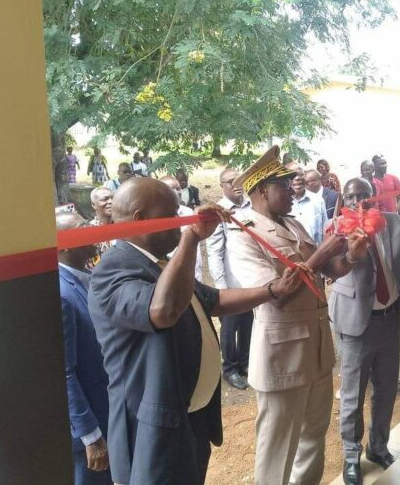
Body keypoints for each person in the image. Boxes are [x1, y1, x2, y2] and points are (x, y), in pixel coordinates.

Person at [88, 177, 303, 485]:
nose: (181, 220)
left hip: (189, 419)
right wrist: (190, 240)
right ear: (140, 219)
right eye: (172, 214)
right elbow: (162, 312)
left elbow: (212, 300)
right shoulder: (113, 269)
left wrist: (272, 290)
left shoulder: (159, 263)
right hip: (153, 430)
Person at [226, 145, 369, 485]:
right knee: (278, 448)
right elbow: (275, 292)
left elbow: (327, 270)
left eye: (293, 183)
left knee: (312, 439)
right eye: (284, 185)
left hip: (317, 351)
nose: (293, 190)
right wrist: (323, 252)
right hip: (282, 357)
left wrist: (349, 256)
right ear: (262, 190)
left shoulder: (293, 224)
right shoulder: (243, 233)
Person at [329, 179, 400, 485]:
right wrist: (349, 247)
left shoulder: (392, 222)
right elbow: (331, 265)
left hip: (390, 320)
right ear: (344, 200)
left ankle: (378, 447)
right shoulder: (336, 228)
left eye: (363, 195)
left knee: (386, 390)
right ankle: (352, 457)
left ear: (374, 197)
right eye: (351, 197)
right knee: (352, 395)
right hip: (355, 324)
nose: (358, 201)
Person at [57, 211, 112, 485]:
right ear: (64, 244)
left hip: (108, 411)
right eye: (82, 228)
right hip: (91, 428)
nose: (91, 229)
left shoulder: (85, 276)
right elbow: (63, 372)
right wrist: (90, 434)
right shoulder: (61, 295)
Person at [206, 168, 253, 391]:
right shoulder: (219, 211)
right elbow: (215, 252)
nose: (237, 184)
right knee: (229, 329)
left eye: (239, 180)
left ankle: (245, 365)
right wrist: (221, 287)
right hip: (231, 284)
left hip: (251, 282)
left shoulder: (251, 206)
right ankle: (230, 369)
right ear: (222, 186)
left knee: (248, 325)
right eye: (231, 181)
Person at [159, 175, 204, 281]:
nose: (177, 192)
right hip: (170, 277)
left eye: (178, 188)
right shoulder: (156, 216)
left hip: (195, 274)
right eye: (172, 189)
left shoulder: (189, 212)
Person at [289, 168, 329, 245]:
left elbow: (326, 231)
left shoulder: (318, 200)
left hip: (317, 253)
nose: (297, 178)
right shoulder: (281, 203)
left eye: (300, 174)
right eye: (292, 175)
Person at [87, 187, 114, 268]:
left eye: (113, 198)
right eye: (105, 199)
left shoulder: (123, 226)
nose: (111, 201)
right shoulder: (89, 231)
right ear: (94, 205)